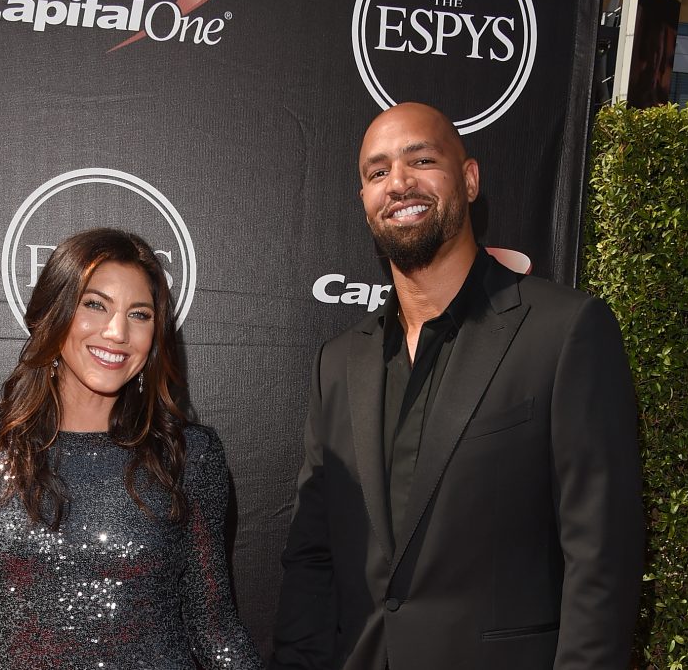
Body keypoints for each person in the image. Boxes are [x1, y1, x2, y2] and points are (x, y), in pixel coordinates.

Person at [271, 103, 644, 670]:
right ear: (365, 200)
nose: (399, 183)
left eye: (421, 160)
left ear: (469, 179)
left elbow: (602, 558)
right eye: (377, 172)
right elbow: (312, 558)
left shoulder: (564, 332)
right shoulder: (339, 362)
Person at [0, 228, 262, 669]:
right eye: (95, 305)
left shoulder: (189, 454)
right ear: (55, 312)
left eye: (140, 315)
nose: (118, 331)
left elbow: (213, 624)